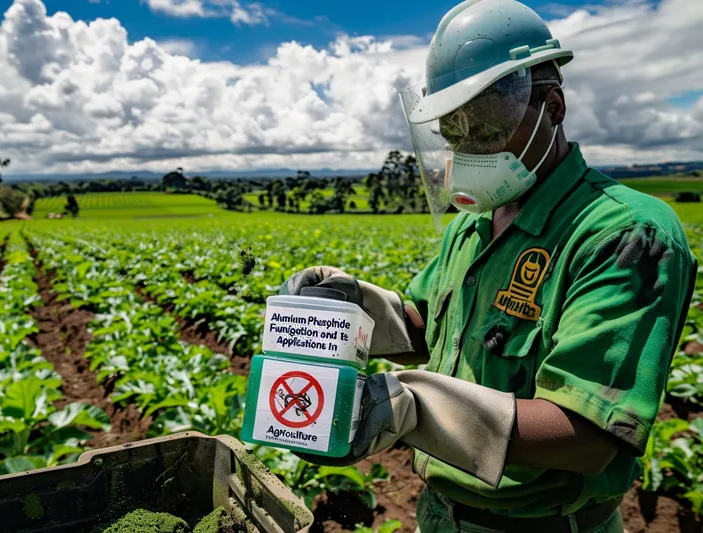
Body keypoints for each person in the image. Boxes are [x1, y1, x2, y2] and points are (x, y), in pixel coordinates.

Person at [279, 0, 698, 531]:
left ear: (553, 106)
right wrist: (354, 305)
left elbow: (588, 438)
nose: (470, 146)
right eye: (456, 127)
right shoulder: (472, 224)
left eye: (489, 122)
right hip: (439, 514)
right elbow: (429, 325)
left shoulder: (627, 235)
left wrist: (414, 411)